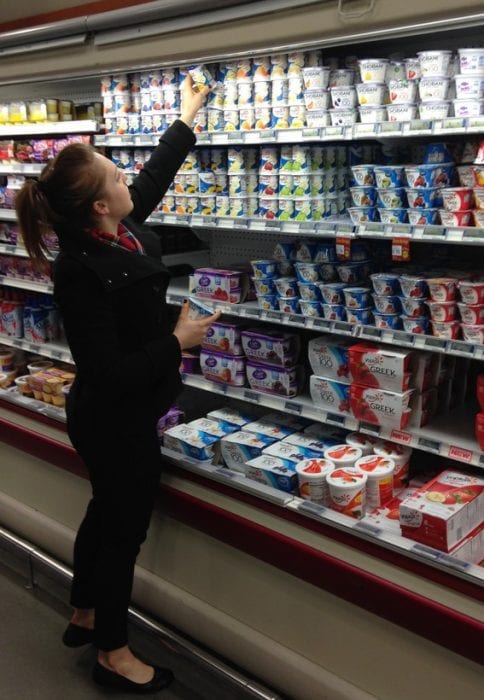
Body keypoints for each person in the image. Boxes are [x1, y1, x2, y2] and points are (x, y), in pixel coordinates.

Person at [15, 75, 221, 694]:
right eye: (114, 176)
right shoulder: (80, 271)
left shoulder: (118, 231)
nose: (126, 181)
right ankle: (113, 652)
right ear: (100, 205)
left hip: (119, 415)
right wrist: (176, 343)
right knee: (123, 534)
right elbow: (105, 372)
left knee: (103, 514)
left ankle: (83, 611)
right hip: (114, 419)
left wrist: (187, 115)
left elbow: (153, 178)